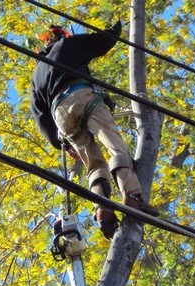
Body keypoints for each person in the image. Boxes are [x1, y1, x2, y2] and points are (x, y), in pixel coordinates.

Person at [30, 22, 158, 239]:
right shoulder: (65, 46)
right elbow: (97, 42)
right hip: (81, 95)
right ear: (59, 38)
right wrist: (114, 29)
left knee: (94, 165)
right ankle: (132, 196)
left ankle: (103, 210)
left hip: (60, 115)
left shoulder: (37, 75)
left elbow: (40, 115)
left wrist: (61, 144)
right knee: (115, 147)